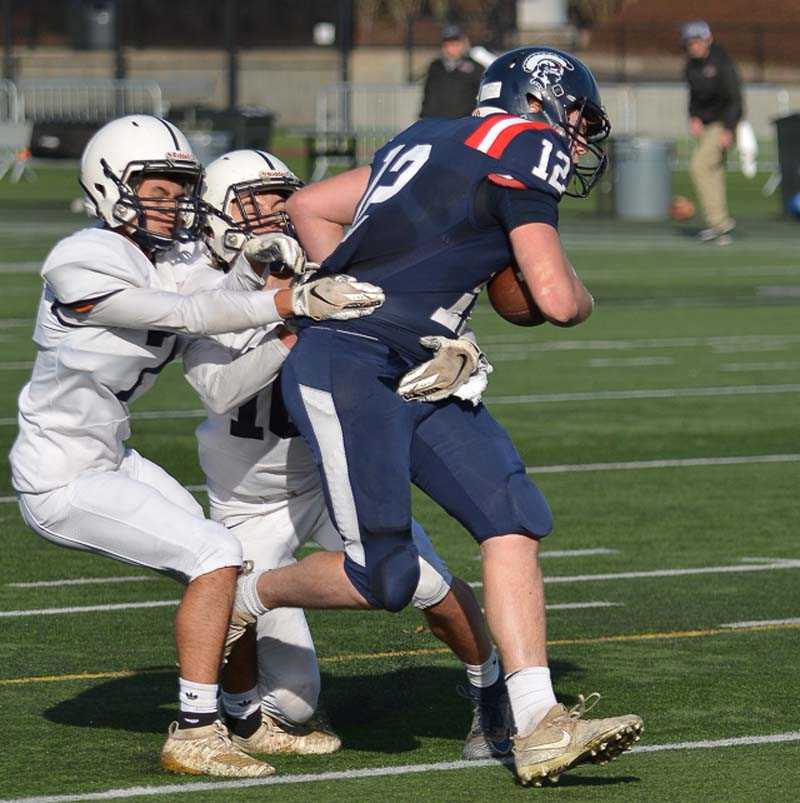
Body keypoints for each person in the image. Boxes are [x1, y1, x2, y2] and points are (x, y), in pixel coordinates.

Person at [228, 47, 643, 787]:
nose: (579, 137)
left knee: (511, 512)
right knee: (383, 578)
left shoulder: (427, 134)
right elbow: (551, 298)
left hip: (419, 362)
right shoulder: (527, 142)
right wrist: (585, 298)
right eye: (577, 116)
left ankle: (539, 720)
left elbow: (310, 204)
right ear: (542, 101)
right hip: (352, 367)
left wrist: (384, 307)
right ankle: (246, 595)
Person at [8, 115, 383, 779]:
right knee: (213, 554)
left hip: (110, 454)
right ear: (106, 185)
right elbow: (188, 313)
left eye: (180, 189)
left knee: (228, 559)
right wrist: (288, 297)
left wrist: (259, 258)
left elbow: (212, 284)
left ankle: (245, 718)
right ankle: (194, 728)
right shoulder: (81, 258)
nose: (172, 202)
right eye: (154, 188)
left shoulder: (169, 255)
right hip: (59, 472)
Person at [170, 148, 512, 761]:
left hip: (336, 472)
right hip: (250, 501)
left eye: (284, 198)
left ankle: (493, 695)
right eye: (257, 202)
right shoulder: (202, 290)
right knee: (296, 705)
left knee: (429, 585)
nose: (276, 214)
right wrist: (298, 319)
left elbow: (408, 322)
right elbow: (215, 388)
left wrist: (463, 352)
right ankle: (238, 714)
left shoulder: (332, 266)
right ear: (220, 216)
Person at [682, 20, 743, 244]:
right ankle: (718, 224)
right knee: (712, 172)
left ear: (708, 39)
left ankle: (717, 220)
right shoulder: (691, 65)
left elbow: (735, 100)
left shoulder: (722, 62)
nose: (694, 46)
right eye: (690, 42)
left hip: (723, 123)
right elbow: (694, 97)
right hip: (707, 125)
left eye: (697, 41)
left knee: (698, 166)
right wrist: (693, 116)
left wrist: (728, 129)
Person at [419, 23, 484, 120]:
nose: (450, 49)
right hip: (437, 124)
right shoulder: (436, 67)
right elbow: (428, 96)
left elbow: (482, 96)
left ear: (462, 44)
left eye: (454, 45)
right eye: (447, 45)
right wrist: (423, 117)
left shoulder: (474, 68)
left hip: (463, 124)